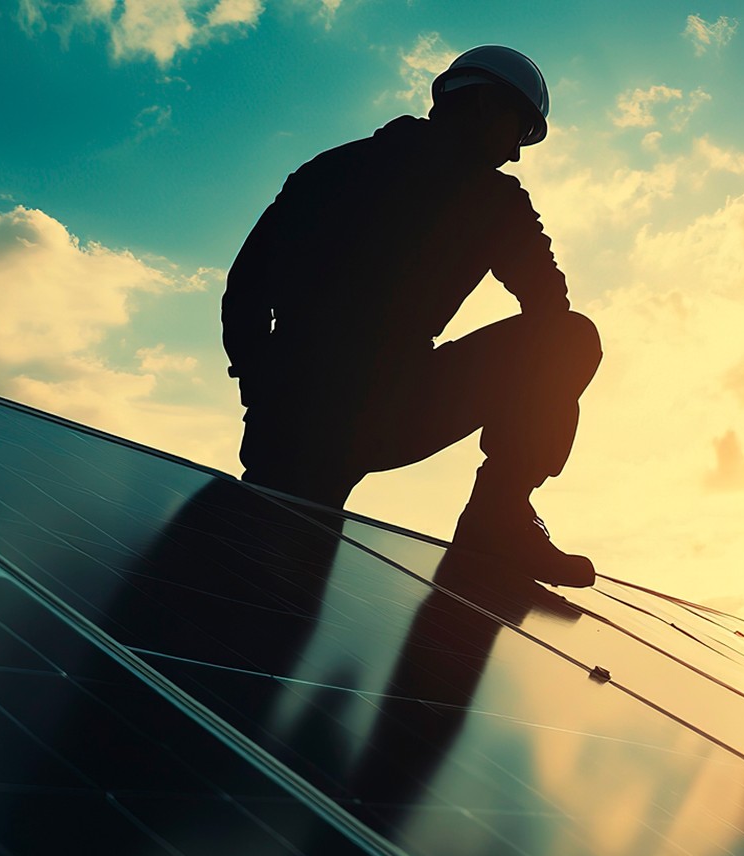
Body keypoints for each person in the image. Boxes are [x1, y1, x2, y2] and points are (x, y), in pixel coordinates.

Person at [222, 45, 600, 587]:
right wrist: (267, 393)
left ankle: (498, 520)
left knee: (264, 607)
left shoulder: (335, 167)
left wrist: (261, 389)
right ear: (484, 106)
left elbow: (246, 292)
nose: (516, 155)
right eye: (518, 132)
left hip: (327, 413)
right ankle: (497, 516)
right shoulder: (490, 198)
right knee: (265, 594)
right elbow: (551, 314)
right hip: (334, 417)